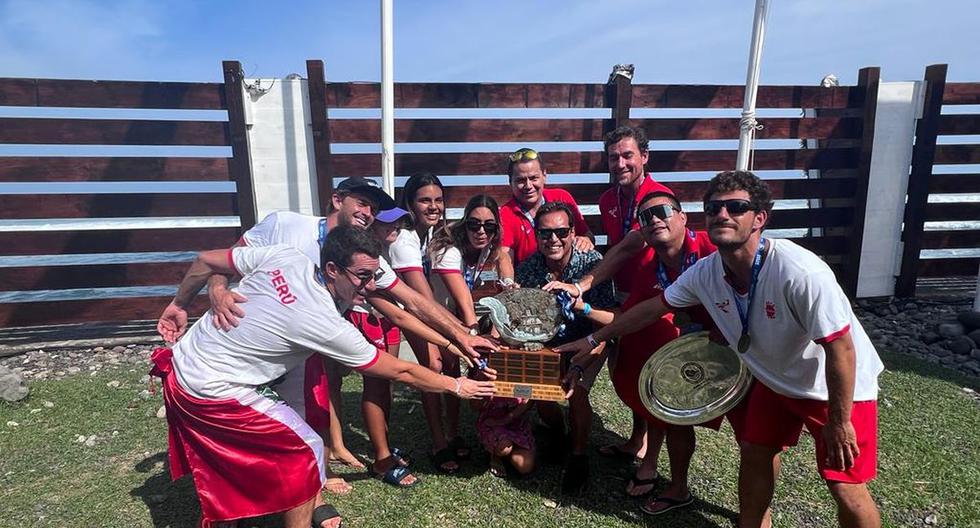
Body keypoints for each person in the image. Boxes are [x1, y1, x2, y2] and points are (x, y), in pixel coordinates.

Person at [558, 170, 884, 528]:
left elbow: (841, 348)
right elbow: (650, 309)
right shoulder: (706, 271)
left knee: (844, 486)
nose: (722, 215)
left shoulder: (798, 271)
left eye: (736, 207)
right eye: (714, 208)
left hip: (830, 386)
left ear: (759, 218)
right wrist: (592, 339)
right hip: (773, 382)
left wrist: (840, 420)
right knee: (755, 454)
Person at [154, 225, 496, 528]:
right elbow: (400, 369)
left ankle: (232, 515)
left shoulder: (287, 256)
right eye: (363, 276)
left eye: (375, 274)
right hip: (208, 389)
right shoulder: (321, 321)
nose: (371, 285)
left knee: (276, 446)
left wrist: (179, 304)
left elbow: (206, 260)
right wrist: (456, 386)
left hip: (187, 362)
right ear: (332, 269)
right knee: (306, 450)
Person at [188, 176, 498, 481]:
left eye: (373, 209)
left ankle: (318, 477)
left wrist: (460, 338)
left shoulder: (366, 261)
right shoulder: (285, 229)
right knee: (270, 422)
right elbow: (223, 259)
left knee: (309, 409)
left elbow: (411, 305)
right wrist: (217, 292)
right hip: (239, 345)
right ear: (338, 199)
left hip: (304, 339)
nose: (368, 213)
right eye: (362, 203)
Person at [547, 190, 722, 515]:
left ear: (683, 217)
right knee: (666, 403)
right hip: (694, 338)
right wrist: (584, 314)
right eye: (645, 217)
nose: (654, 219)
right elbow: (630, 316)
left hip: (736, 342)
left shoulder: (713, 252)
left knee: (751, 435)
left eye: (663, 212)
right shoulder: (651, 268)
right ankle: (676, 484)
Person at [514, 201, 616, 495]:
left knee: (577, 390)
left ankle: (579, 455)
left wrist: (580, 310)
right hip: (550, 344)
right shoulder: (529, 269)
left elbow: (610, 320)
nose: (553, 239)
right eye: (545, 233)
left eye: (561, 231)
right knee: (541, 390)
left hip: (590, 340)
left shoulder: (592, 263)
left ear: (573, 232)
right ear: (536, 235)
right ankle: (558, 433)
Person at [595, 125, 673, 464]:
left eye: (628, 155)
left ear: (644, 156)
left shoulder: (659, 197)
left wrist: (585, 282)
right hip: (623, 297)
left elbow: (630, 246)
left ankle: (652, 459)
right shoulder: (607, 200)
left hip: (655, 297)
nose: (621, 163)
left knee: (650, 378)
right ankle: (636, 438)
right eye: (614, 157)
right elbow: (615, 248)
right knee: (624, 373)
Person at [427, 194, 516, 471]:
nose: (481, 231)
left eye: (489, 226)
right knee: (439, 368)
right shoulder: (447, 249)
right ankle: (440, 441)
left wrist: (511, 286)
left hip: (461, 318)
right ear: (464, 223)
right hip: (437, 315)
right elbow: (463, 300)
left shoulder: (493, 249)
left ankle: (454, 433)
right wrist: (474, 334)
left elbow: (506, 270)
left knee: (455, 372)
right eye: (474, 224)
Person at [388, 173, 468, 471]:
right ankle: (439, 442)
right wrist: (460, 331)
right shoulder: (403, 240)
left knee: (452, 363)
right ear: (409, 203)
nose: (434, 207)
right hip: (407, 313)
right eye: (425, 200)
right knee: (432, 367)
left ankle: (454, 432)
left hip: (430, 311)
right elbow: (419, 297)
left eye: (438, 200)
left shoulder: (434, 234)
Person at [498, 148, 594, 266]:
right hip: (528, 280)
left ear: (544, 176)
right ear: (510, 182)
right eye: (521, 180)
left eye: (534, 178)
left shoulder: (562, 197)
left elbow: (587, 235)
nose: (528, 186)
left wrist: (585, 241)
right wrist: (508, 281)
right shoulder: (505, 214)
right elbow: (504, 256)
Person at [475, 396, 535, 478]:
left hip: (516, 423)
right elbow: (474, 405)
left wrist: (506, 419)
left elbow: (528, 403)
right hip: (492, 421)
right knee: (504, 447)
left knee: (525, 466)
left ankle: (507, 453)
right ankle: (495, 455)